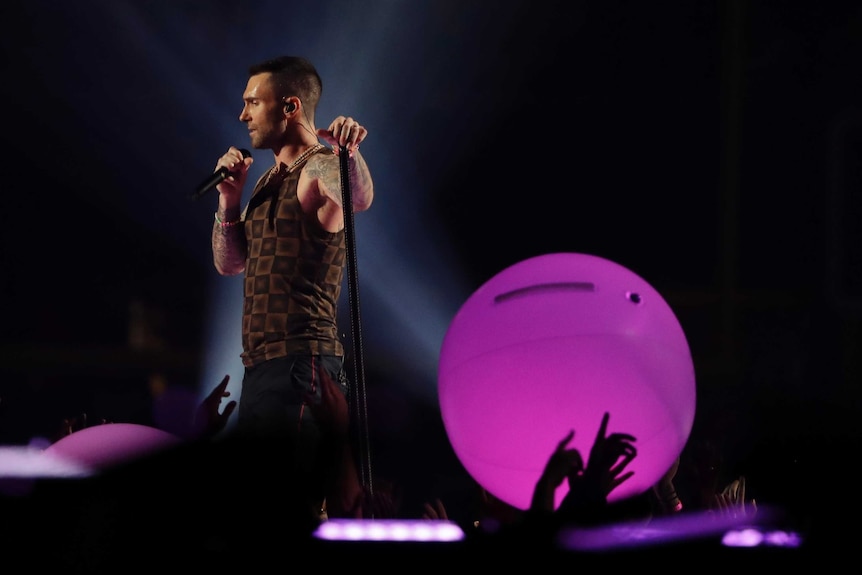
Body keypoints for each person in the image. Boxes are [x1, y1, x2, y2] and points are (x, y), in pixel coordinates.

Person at [208, 55, 374, 519]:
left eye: (252, 102)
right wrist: (229, 200)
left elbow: (359, 198)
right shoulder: (263, 182)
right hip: (263, 367)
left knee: (283, 507)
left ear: (290, 107)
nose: (243, 115)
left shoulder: (318, 168)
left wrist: (349, 154)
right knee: (258, 505)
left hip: (302, 361)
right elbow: (229, 264)